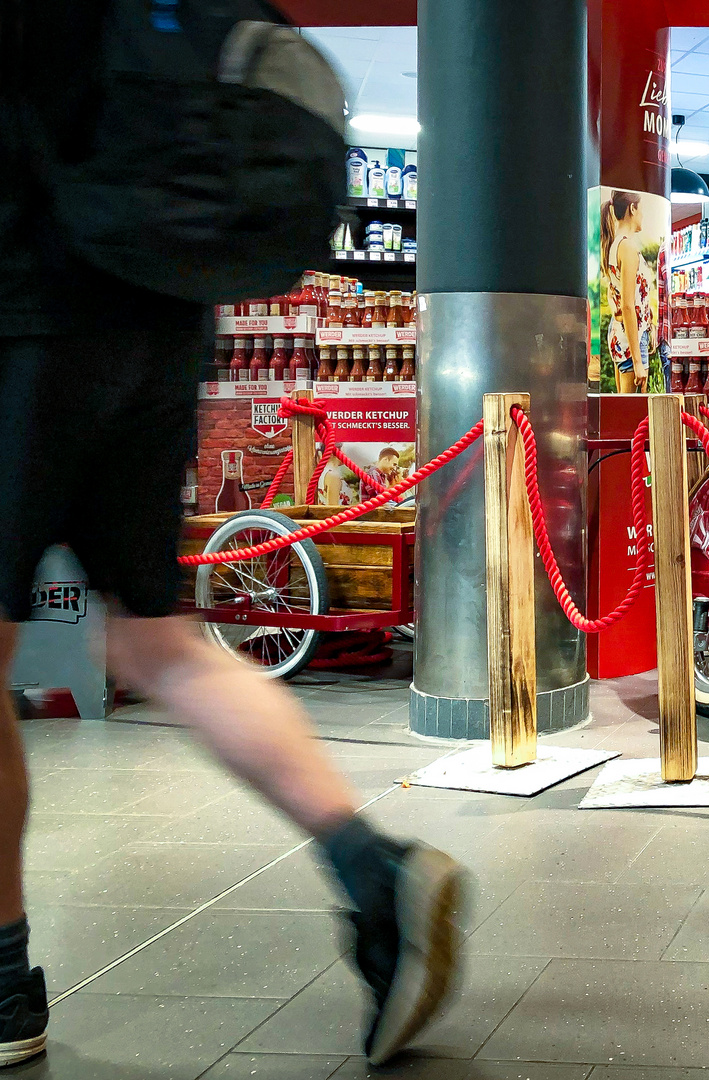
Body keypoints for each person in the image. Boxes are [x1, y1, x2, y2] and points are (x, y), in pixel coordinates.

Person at [0, 4, 465, 1068]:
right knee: (155, 641)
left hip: (22, 311)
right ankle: (371, 866)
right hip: (159, 318)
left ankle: (1, 987)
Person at [600, 190, 657, 393]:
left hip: (622, 334)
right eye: (641, 209)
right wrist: (638, 361)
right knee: (633, 414)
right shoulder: (628, 248)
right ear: (633, 208)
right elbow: (628, 304)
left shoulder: (615, 245)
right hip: (631, 339)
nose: (643, 215)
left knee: (624, 411)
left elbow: (614, 293)